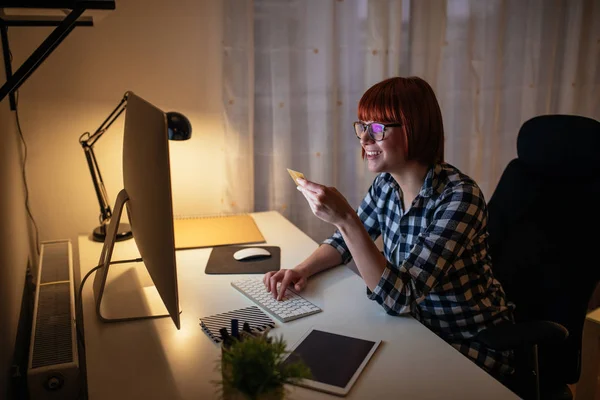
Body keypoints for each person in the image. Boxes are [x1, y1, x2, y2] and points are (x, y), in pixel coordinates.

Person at [263, 76, 515, 378]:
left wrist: (346, 218)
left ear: (414, 129)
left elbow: (401, 297)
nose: (365, 138)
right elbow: (344, 244)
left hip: (466, 343)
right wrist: (301, 270)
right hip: (412, 328)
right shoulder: (386, 185)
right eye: (362, 126)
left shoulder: (460, 197)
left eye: (379, 128)